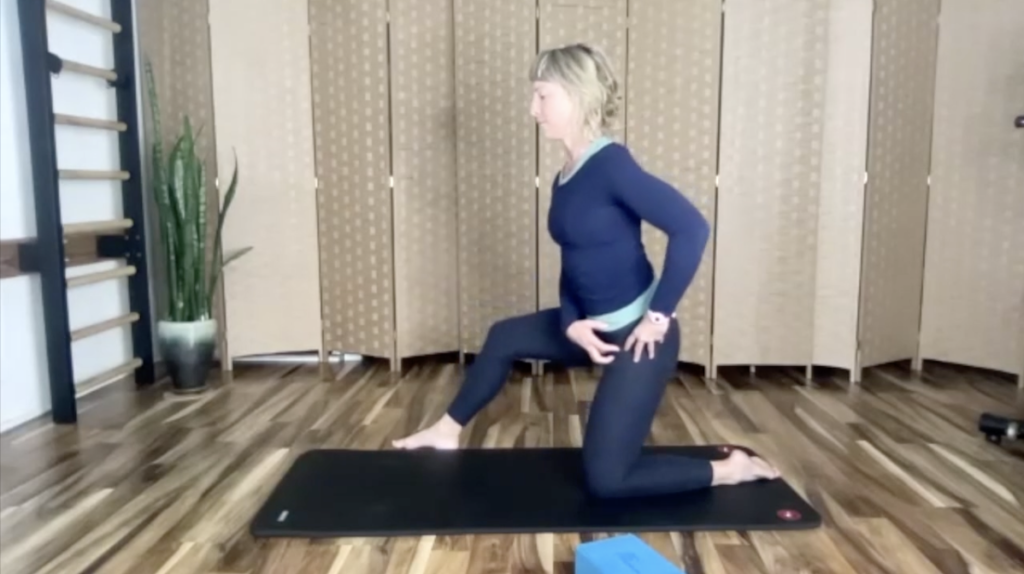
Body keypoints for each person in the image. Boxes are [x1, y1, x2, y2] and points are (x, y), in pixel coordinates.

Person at [392, 43, 780, 498]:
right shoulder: (565, 174)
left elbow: (691, 229)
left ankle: (728, 471)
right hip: (592, 328)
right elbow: (573, 258)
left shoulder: (611, 164)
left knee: (607, 480)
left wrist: (658, 318)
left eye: (542, 95)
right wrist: (571, 322)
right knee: (503, 336)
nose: (532, 109)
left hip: (639, 341)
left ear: (576, 96)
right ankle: (446, 430)